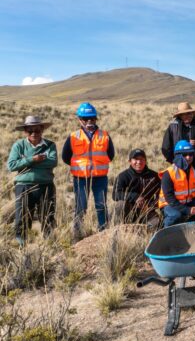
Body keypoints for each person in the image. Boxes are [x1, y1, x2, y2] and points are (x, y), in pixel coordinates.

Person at [62, 102, 115, 236]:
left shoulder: (105, 135)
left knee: (101, 205)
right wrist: (79, 167)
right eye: (85, 119)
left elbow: (111, 155)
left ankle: (103, 231)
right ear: (79, 120)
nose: (89, 121)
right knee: (81, 207)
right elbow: (65, 156)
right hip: (80, 178)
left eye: (92, 118)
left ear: (96, 119)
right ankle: (78, 233)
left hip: (100, 177)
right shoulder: (74, 136)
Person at [7, 115, 57, 245]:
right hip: (23, 187)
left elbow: (52, 162)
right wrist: (32, 159)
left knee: (48, 217)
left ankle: (49, 244)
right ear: (25, 131)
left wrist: (25, 162)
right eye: (30, 131)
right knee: (22, 218)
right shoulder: (18, 146)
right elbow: (12, 165)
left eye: (37, 130)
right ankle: (21, 245)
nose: (34, 133)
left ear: (42, 130)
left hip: (46, 186)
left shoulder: (50, 145)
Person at [159, 140, 195, 227]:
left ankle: (190, 228)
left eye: (190, 154)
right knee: (175, 215)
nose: (188, 157)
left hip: (189, 201)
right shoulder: (169, 173)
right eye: (185, 155)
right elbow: (170, 199)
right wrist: (187, 210)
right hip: (169, 204)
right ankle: (164, 232)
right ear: (178, 156)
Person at [112, 148, 161, 228]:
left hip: (147, 212)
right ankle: (120, 230)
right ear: (130, 161)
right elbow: (115, 194)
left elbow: (162, 195)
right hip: (129, 211)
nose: (139, 162)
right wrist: (135, 197)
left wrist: (151, 206)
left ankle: (143, 234)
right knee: (120, 204)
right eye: (136, 159)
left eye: (142, 159)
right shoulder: (123, 176)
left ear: (145, 161)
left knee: (156, 222)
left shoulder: (154, 176)